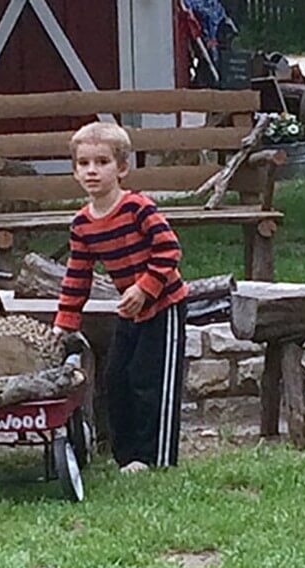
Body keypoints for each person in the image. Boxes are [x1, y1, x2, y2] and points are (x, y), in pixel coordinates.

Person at [53, 121, 189, 473]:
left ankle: (155, 458)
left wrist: (145, 287)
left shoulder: (138, 208)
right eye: (84, 164)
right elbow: (78, 275)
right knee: (116, 379)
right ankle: (127, 456)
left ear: (122, 168)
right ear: (75, 171)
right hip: (131, 310)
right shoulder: (82, 223)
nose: (92, 171)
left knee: (149, 381)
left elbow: (169, 250)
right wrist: (64, 322)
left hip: (164, 305)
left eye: (102, 162)